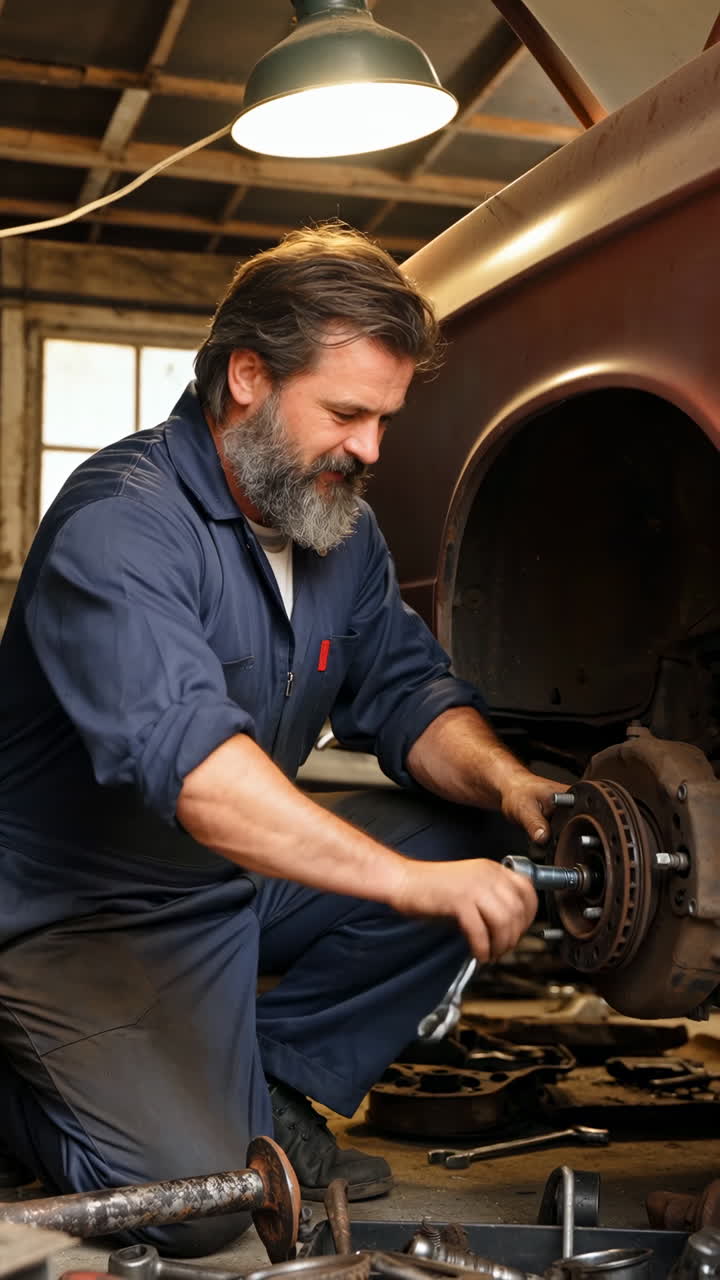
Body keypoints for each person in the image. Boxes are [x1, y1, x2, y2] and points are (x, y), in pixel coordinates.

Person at [0, 223, 558, 1255]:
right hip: (69, 915)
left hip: (225, 885)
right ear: (247, 376)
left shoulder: (336, 523)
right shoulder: (120, 526)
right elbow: (203, 779)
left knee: (468, 839)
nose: (372, 448)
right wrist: (406, 884)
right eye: (347, 412)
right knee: (206, 1207)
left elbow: (405, 690)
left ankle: (281, 1086)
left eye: (385, 417)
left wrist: (518, 786)